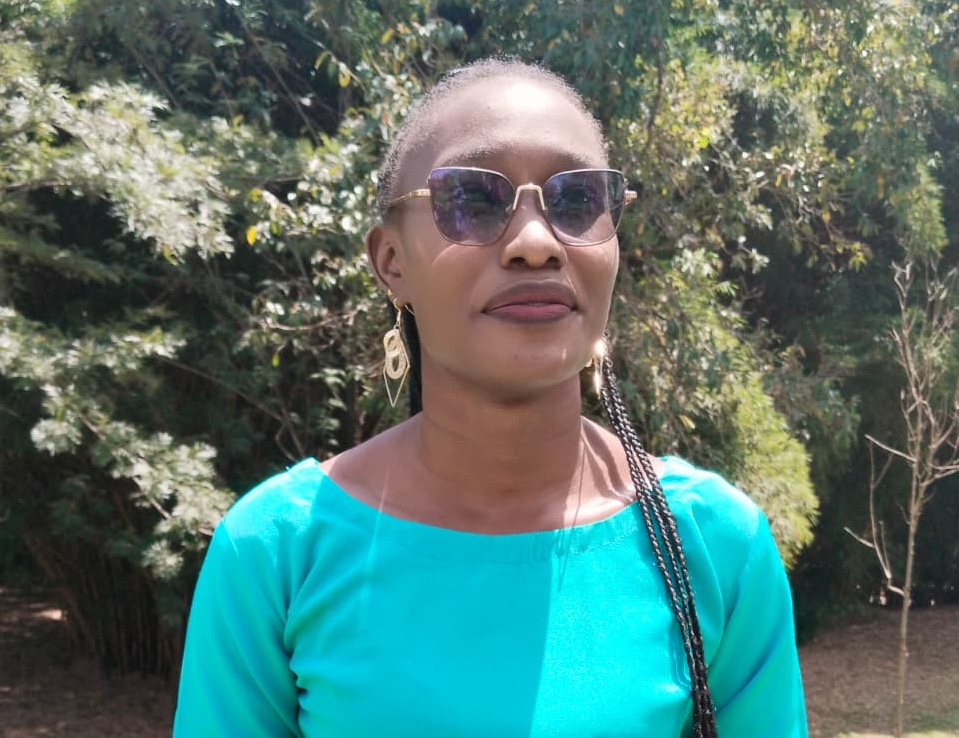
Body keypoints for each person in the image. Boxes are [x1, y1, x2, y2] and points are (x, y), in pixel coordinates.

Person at [173, 58, 808, 738]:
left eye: (574, 201)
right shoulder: (276, 552)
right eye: (472, 200)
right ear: (391, 262)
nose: (535, 244)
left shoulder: (711, 546)